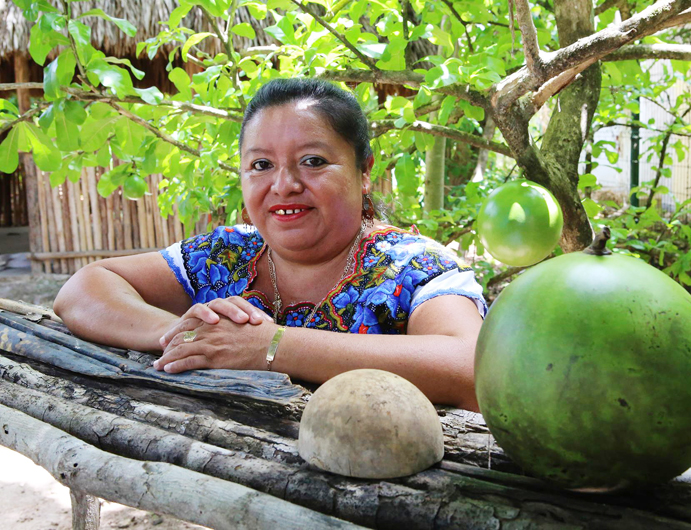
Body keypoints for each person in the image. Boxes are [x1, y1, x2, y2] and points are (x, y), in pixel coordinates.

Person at [54, 78, 486, 411]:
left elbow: (470, 367)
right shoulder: (223, 255)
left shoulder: (414, 267)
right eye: (261, 165)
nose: (284, 184)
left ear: (364, 170)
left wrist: (271, 346)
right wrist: (181, 336)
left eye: (313, 161)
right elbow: (84, 288)